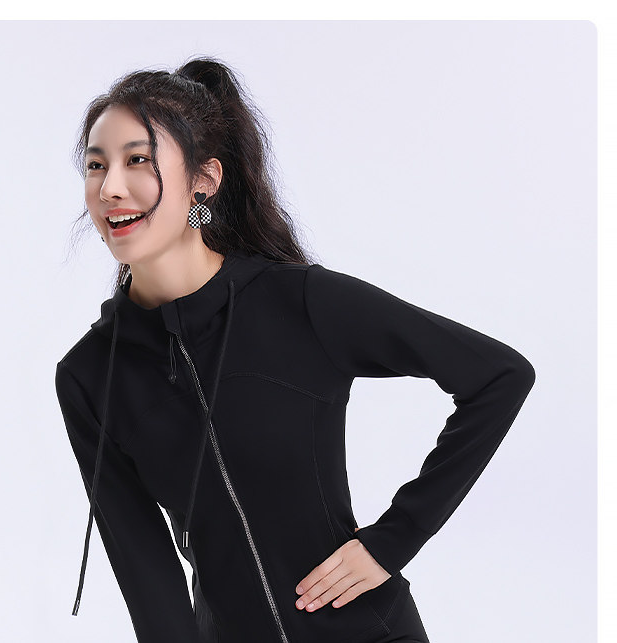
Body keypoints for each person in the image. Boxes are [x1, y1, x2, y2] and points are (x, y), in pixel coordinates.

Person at [54, 56, 536, 643]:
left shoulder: (299, 302)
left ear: (204, 180)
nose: (110, 187)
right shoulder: (89, 375)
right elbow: (145, 573)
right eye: (96, 165)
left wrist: (393, 541)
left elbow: (499, 376)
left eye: (138, 160)